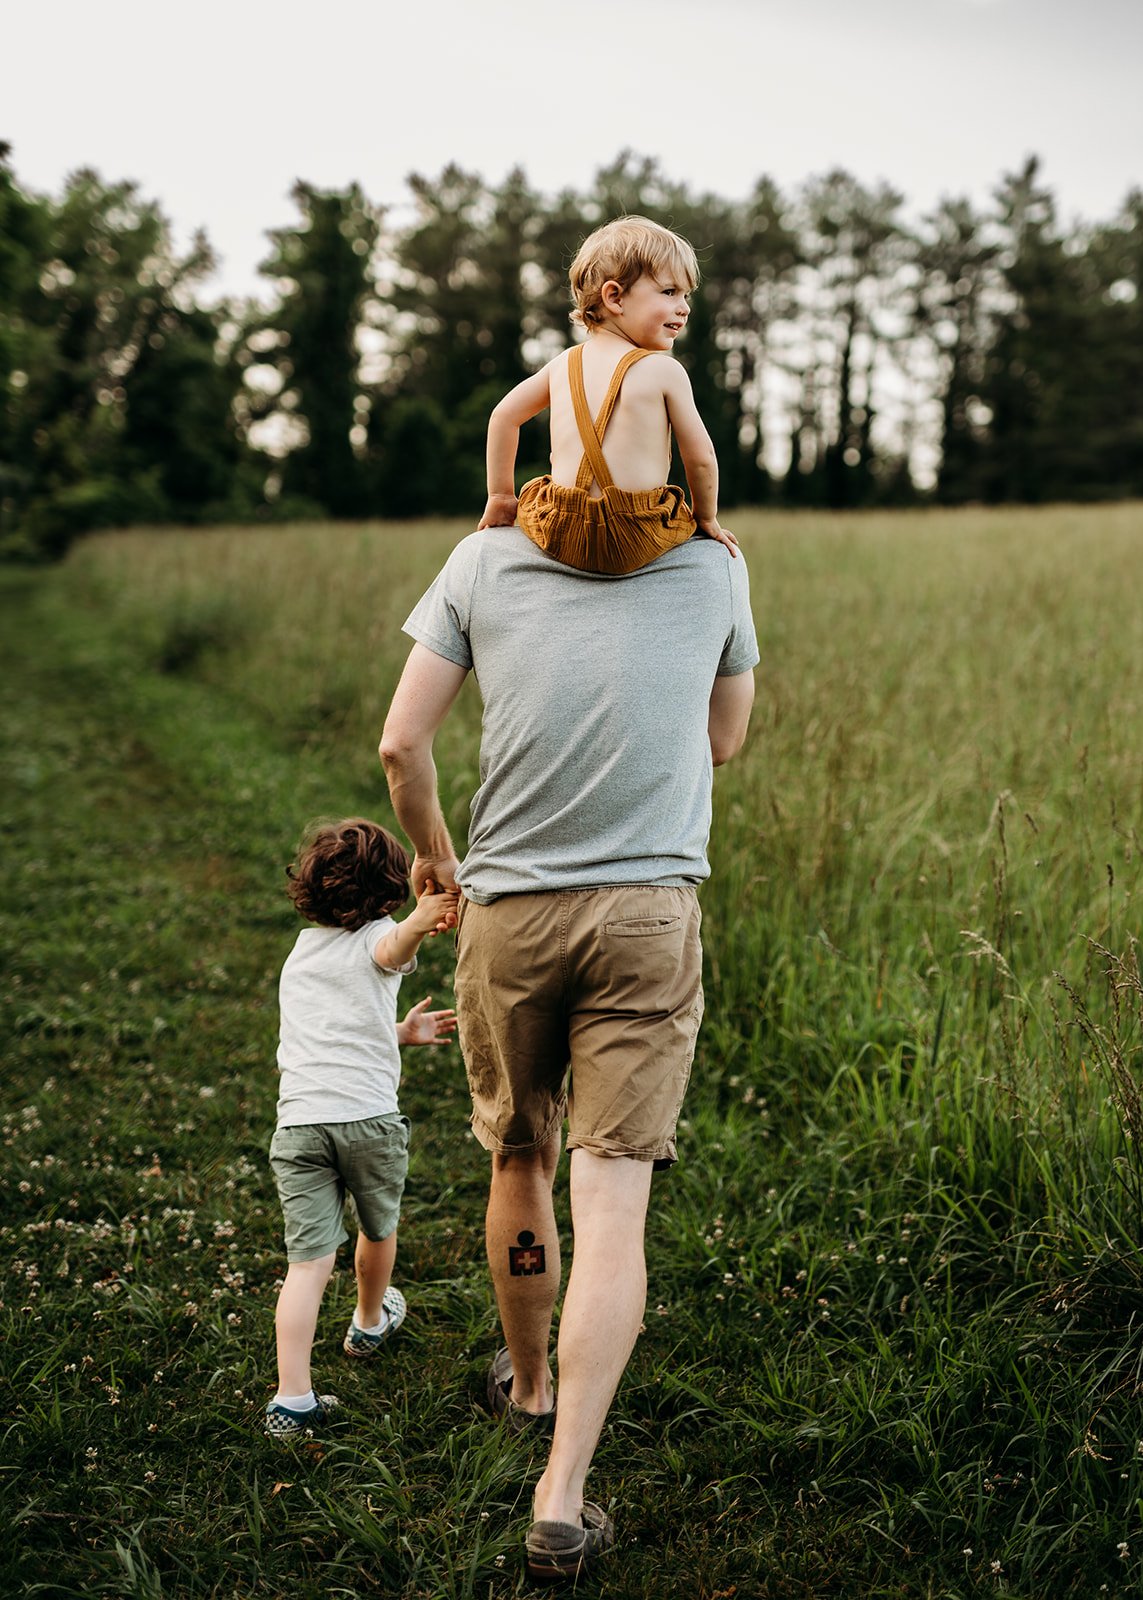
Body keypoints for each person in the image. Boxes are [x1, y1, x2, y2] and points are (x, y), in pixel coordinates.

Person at [379, 297, 758, 1575]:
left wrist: (437, 858)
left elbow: (401, 741)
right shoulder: (716, 562)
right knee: (618, 1204)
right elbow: (723, 740)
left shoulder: (481, 558)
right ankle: (563, 1490)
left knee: (519, 1160)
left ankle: (528, 1381)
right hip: (650, 914)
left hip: (510, 916)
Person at [264, 817, 458, 1440]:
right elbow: (391, 948)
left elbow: (334, 1025)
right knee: (378, 1227)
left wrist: (398, 1032)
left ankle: (291, 1399)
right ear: (389, 892)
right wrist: (429, 913)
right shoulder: (382, 937)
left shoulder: (301, 952)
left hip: (300, 1127)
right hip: (368, 1123)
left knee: (307, 1264)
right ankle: (370, 1322)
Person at [477, 213, 739, 575]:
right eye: (669, 292)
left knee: (542, 488)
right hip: (638, 534)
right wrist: (705, 517)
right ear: (614, 297)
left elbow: (504, 416)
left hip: (562, 531)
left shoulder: (561, 364)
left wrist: (501, 496)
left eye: (686, 295)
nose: (684, 307)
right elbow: (701, 457)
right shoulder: (665, 371)